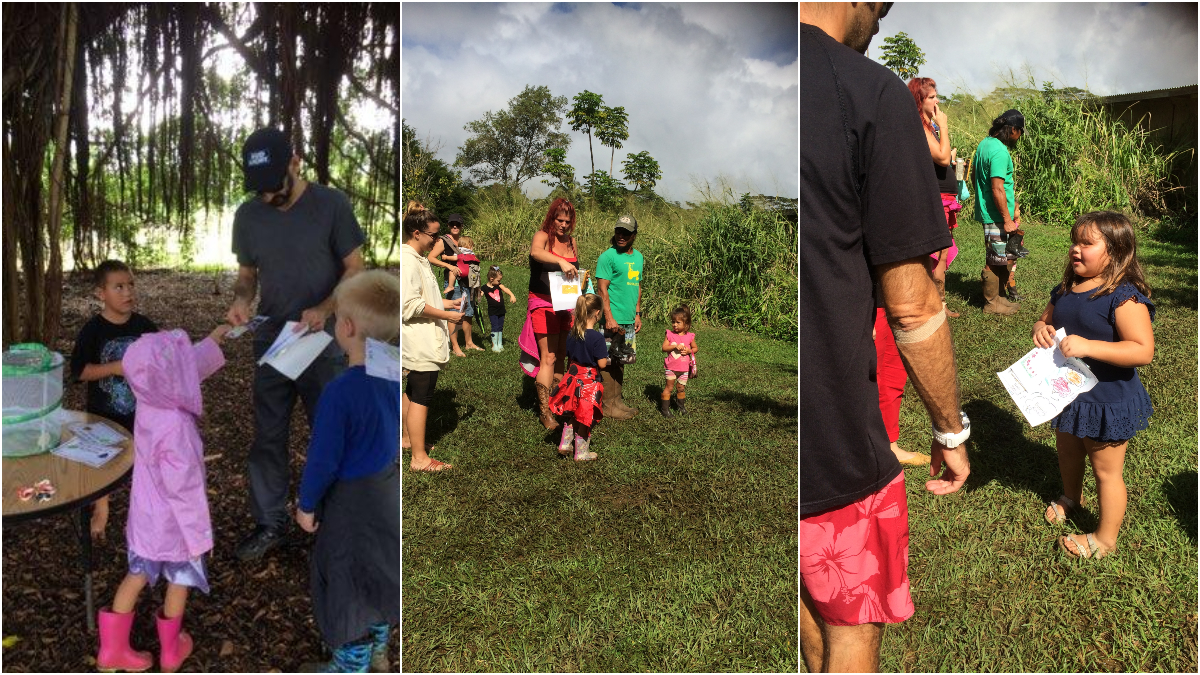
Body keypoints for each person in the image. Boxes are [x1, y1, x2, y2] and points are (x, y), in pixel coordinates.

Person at [801, 4, 972, 672]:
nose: (876, 21)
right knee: (849, 623)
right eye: (881, 7)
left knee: (804, 606)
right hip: (837, 443)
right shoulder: (867, 90)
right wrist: (950, 431)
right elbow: (913, 305)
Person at [227, 127, 366, 562]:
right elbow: (248, 276)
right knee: (268, 434)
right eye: (260, 189)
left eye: (274, 185)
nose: (267, 196)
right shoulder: (248, 215)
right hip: (274, 338)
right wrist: (240, 301)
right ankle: (271, 522)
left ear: (296, 161)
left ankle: (333, 520)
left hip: (324, 340)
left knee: (331, 430)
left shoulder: (332, 205)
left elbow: (355, 269)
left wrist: (324, 309)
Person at [95, 325, 230, 673]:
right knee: (179, 579)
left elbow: (181, 369)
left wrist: (214, 340)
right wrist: (199, 538)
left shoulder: (149, 398)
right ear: (174, 378)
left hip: (145, 519)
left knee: (136, 575)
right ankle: (171, 652)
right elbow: (184, 490)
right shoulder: (176, 428)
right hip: (175, 527)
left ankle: (112, 652)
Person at [294, 270, 400, 672]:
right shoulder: (391, 366)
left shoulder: (340, 391)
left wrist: (306, 506)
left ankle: (348, 666)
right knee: (379, 573)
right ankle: (379, 651)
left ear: (347, 327)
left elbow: (323, 459)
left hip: (352, 506)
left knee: (350, 585)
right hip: (387, 493)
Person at [1032, 211, 1154, 560]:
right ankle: (1071, 495)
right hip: (1068, 393)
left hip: (1107, 400)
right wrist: (1041, 328)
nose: (1075, 249)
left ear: (1116, 252)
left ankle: (1105, 538)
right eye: (1074, 241)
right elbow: (1046, 320)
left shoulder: (1123, 296)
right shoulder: (1066, 289)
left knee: (1106, 470)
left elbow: (1143, 349)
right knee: (1068, 452)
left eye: (1087, 243)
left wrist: (1089, 346)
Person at [69, 260, 158, 540]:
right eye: (118, 286)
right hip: (104, 415)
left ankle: (145, 513)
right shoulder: (92, 331)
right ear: (101, 294)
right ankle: (102, 508)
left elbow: (161, 359)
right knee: (104, 465)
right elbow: (80, 371)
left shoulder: (145, 326)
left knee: (144, 463)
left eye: (130, 284)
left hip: (141, 413)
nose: (127, 291)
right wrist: (116, 368)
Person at [401, 202, 463, 472]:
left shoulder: (417, 259)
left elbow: (423, 297)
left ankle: (407, 440)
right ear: (416, 233)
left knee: (412, 391)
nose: (436, 241)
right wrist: (446, 316)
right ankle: (419, 458)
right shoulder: (406, 260)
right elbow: (409, 305)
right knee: (421, 396)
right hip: (419, 341)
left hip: (421, 339)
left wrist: (446, 305)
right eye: (433, 236)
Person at [518, 198, 581, 429]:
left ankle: (558, 402)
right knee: (549, 357)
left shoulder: (573, 241)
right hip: (543, 303)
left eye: (567, 221)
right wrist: (560, 261)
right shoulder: (542, 236)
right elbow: (536, 253)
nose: (563, 225)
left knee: (563, 355)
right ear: (551, 217)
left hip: (567, 304)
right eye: (559, 219)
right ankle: (545, 412)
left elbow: (575, 270)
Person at [909, 76, 962, 318]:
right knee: (936, 253)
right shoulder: (920, 127)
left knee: (943, 252)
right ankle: (933, 306)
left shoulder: (931, 127)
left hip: (947, 198)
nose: (937, 100)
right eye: (931, 97)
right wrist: (944, 125)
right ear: (920, 101)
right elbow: (941, 158)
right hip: (937, 199)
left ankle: (940, 304)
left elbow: (944, 157)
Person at [971, 109, 1027, 315]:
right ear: (1013, 129)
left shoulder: (985, 144)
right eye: (1019, 132)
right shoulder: (999, 152)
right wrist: (1007, 219)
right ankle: (991, 303)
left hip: (991, 212)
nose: (1019, 136)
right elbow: (997, 188)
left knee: (1001, 256)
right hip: (996, 215)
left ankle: (999, 298)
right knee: (996, 259)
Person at [594, 214, 644, 419]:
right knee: (607, 362)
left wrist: (638, 313)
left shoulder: (638, 257)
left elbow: (638, 286)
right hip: (612, 317)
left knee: (621, 360)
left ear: (634, 235)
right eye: (618, 231)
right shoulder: (608, 256)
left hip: (629, 318)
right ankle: (607, 405)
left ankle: (617, 401)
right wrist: (608, 316)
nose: (620, 236)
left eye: (626, 232)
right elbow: (602, 289)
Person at [548, 293, 607, 461]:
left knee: (574, 412)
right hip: (589, 383)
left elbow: (567, 354)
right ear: (597, 313)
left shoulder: (572, 334)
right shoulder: (597, 338)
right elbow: (602, 364)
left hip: (572, 379)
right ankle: (581, 452)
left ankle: (565, 444)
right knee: (585, 416)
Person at [427, 214, 483, 356]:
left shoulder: (464, 242)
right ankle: (455, 346)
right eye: (452, 224)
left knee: (468, 312)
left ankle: (469, 343)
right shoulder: (443, 241)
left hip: (468, 282)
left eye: (457, 224)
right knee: (454, 313)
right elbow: (431, 258)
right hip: (454, 283)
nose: (455, 227)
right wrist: (449, 266)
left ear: (461, 226)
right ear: (448, 225)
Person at [659, 304, 698, 418]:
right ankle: (665, 409)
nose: (674, 324)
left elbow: (695, 348)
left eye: (678, 322)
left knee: (681, 388)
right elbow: (664, 348)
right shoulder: (669, 334)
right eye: (673, 322)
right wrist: (674, 347)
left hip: (684, 368)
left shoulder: (690, 336)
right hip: (671, 367)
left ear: (686, 324)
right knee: (669, 387)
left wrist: (689, 351)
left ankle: (681, 407)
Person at [482, 266, 517, 352]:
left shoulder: (499, 285)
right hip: (492, 311)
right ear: (491, 279)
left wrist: (511, 295)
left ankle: (500, 344)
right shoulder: (484, 288)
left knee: (500, 327)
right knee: (495, 327)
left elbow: (505, 289)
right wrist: (478, 294)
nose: (499, 282)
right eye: (498, 280)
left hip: (501, 310)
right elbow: (480, 294)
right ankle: (494, 345)